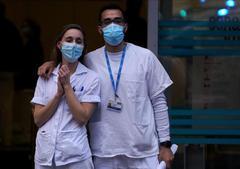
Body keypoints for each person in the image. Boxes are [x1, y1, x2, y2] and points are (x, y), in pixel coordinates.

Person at [38, 4, 174, 169]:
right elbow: (68, 63)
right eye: (107, 22)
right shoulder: (89, 60)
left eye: (117, 21)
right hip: (103, 151)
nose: (113, 26)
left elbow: (159, 102)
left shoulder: (145, 57)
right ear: (100, 29)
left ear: (125, 27)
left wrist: (165, 144)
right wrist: (52, 63)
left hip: (143, 150)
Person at [31, 24, 100, 169]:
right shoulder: (46, 76)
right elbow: (38, 119)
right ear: (59, 45)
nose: (73, 45)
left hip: (75, 156)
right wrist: (58, 95)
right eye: (69, 40)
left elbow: (82, 118)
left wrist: (67, 87)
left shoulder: (91, 78)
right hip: (45, 156)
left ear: (83, 48)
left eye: (78, 41)